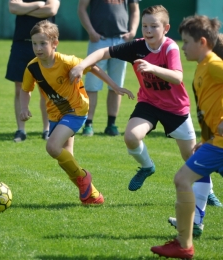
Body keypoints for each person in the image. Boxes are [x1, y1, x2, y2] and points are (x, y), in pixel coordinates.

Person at [69, 4, 221, 234]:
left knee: (192, 157)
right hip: (149, 105)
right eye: (145, 26)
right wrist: (82, 65)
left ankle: (206, 192)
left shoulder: (170, 48)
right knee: (130, 137)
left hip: (176, 109)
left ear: (166, 28)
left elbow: (177, 77)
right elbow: (103, 52)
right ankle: (147, 166)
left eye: (154, 26)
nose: (148, 30)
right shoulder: (137, 46)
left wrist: (152, 68)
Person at [19, 20, 134, 205]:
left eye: (43, 43)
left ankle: (85, 177)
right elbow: (26, 89)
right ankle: (93, 196)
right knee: (66, 160)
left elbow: (93, 67)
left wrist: (115, 86)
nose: (38, 48)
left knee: (52, 147)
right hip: (55, 115)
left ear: (54, 43)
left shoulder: (66, 61)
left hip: (76, 110)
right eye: (34, 43)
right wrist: (24, 108)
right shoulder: (32, 67)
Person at [151, 15, 223, 259]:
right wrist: (207, 137)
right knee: (182, 179)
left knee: (182, 179)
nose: (182, 47)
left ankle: (184, 244)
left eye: (186, 42)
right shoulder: (202, 68)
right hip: (215, 144)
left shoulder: (214, 65)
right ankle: (184, 243)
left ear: (202, 42)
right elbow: (210, 108)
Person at [77, 0, 140, 136]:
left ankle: (111, 124)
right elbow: (81, 8)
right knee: (92, 84)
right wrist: (91, 31)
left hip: (121, 40)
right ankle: (88, 124)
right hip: (99, 39)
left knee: (116, 85)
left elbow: (135, 9)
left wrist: (133, 31)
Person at [6, 0, 60, 142]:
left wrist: (24, 9)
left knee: (46, 89)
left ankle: (47, 129)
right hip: (21, 44)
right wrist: (40, 4)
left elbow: (51, 10)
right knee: (20, 87)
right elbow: (13, 7)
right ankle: (21, 130)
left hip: (45, 45)